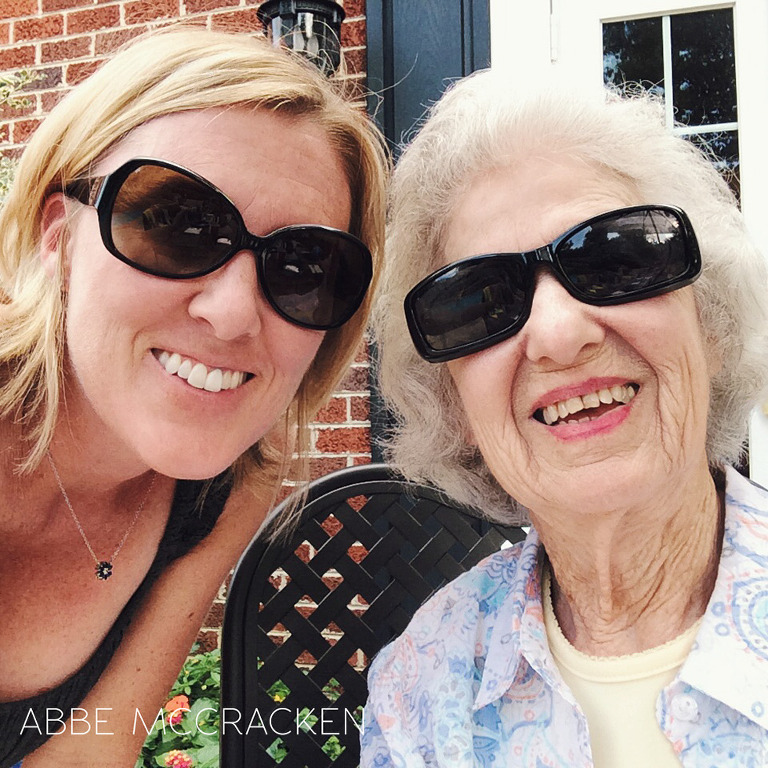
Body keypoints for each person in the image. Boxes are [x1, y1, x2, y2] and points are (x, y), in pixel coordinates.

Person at [0, 26, 387, 768]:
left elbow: (91, 752)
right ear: (59, 240)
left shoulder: (233, 482)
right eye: (176, 225)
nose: (235, 312)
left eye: (304, 265)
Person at [363, 70, 768, 768]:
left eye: (614, 258)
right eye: (483, 299)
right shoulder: (420, 686)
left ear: (714, 326)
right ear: (453, 406)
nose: (557, 333)